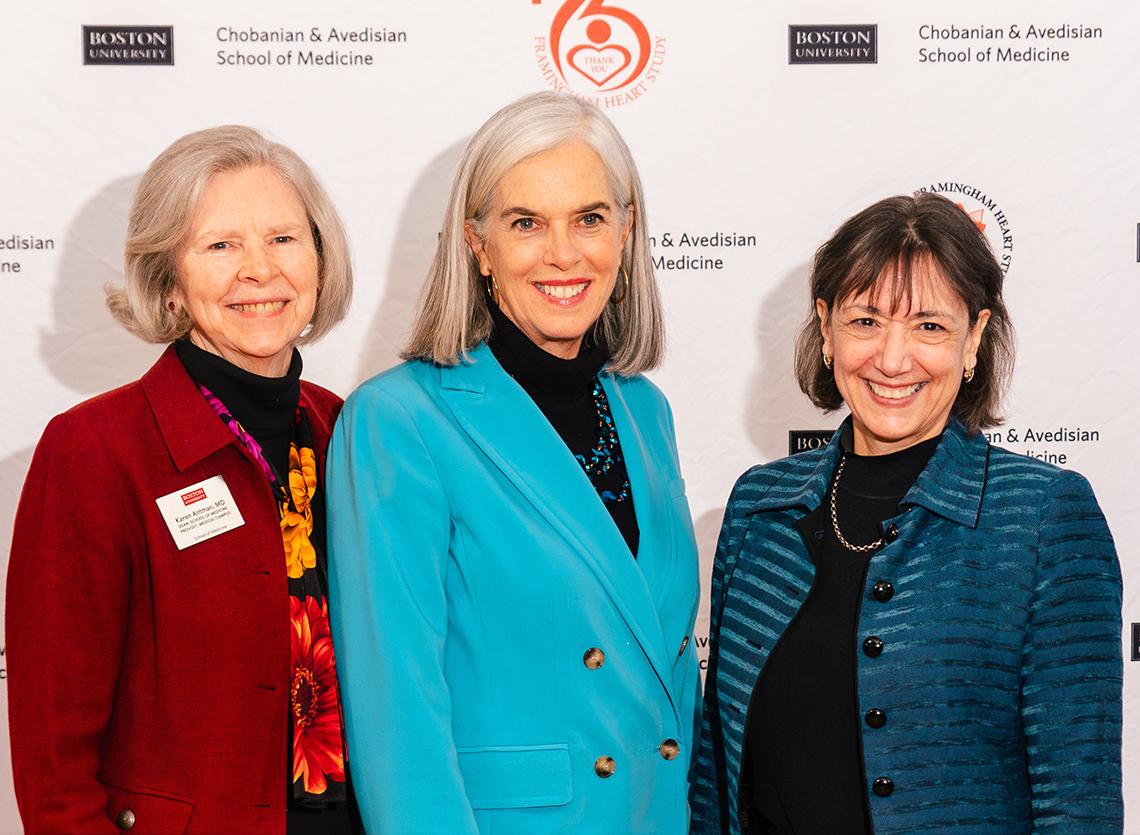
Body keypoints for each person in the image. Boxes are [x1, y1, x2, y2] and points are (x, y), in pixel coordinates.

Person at [327, 91, 700, 834]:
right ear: (477, 243)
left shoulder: (646, 410)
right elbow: (398, 715)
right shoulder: (399, 420)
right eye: (526, 223)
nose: (564, 253)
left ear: (626, 232)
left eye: (590, 218)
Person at [691, 193, 1122, 834]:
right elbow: (715, 779)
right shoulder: (760, 506)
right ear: (826, 326)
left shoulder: (1042, 519)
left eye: (929, 326)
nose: (893, 360)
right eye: (866, 321)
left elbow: (1076, 805)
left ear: (973, 339)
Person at [6, 125, 360, 834]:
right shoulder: (94, 451)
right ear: (169, 279)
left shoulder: (344, 429)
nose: (258, 270)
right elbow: (53, 755)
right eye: (221, 244)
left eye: (284, 239)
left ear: (321, 263)